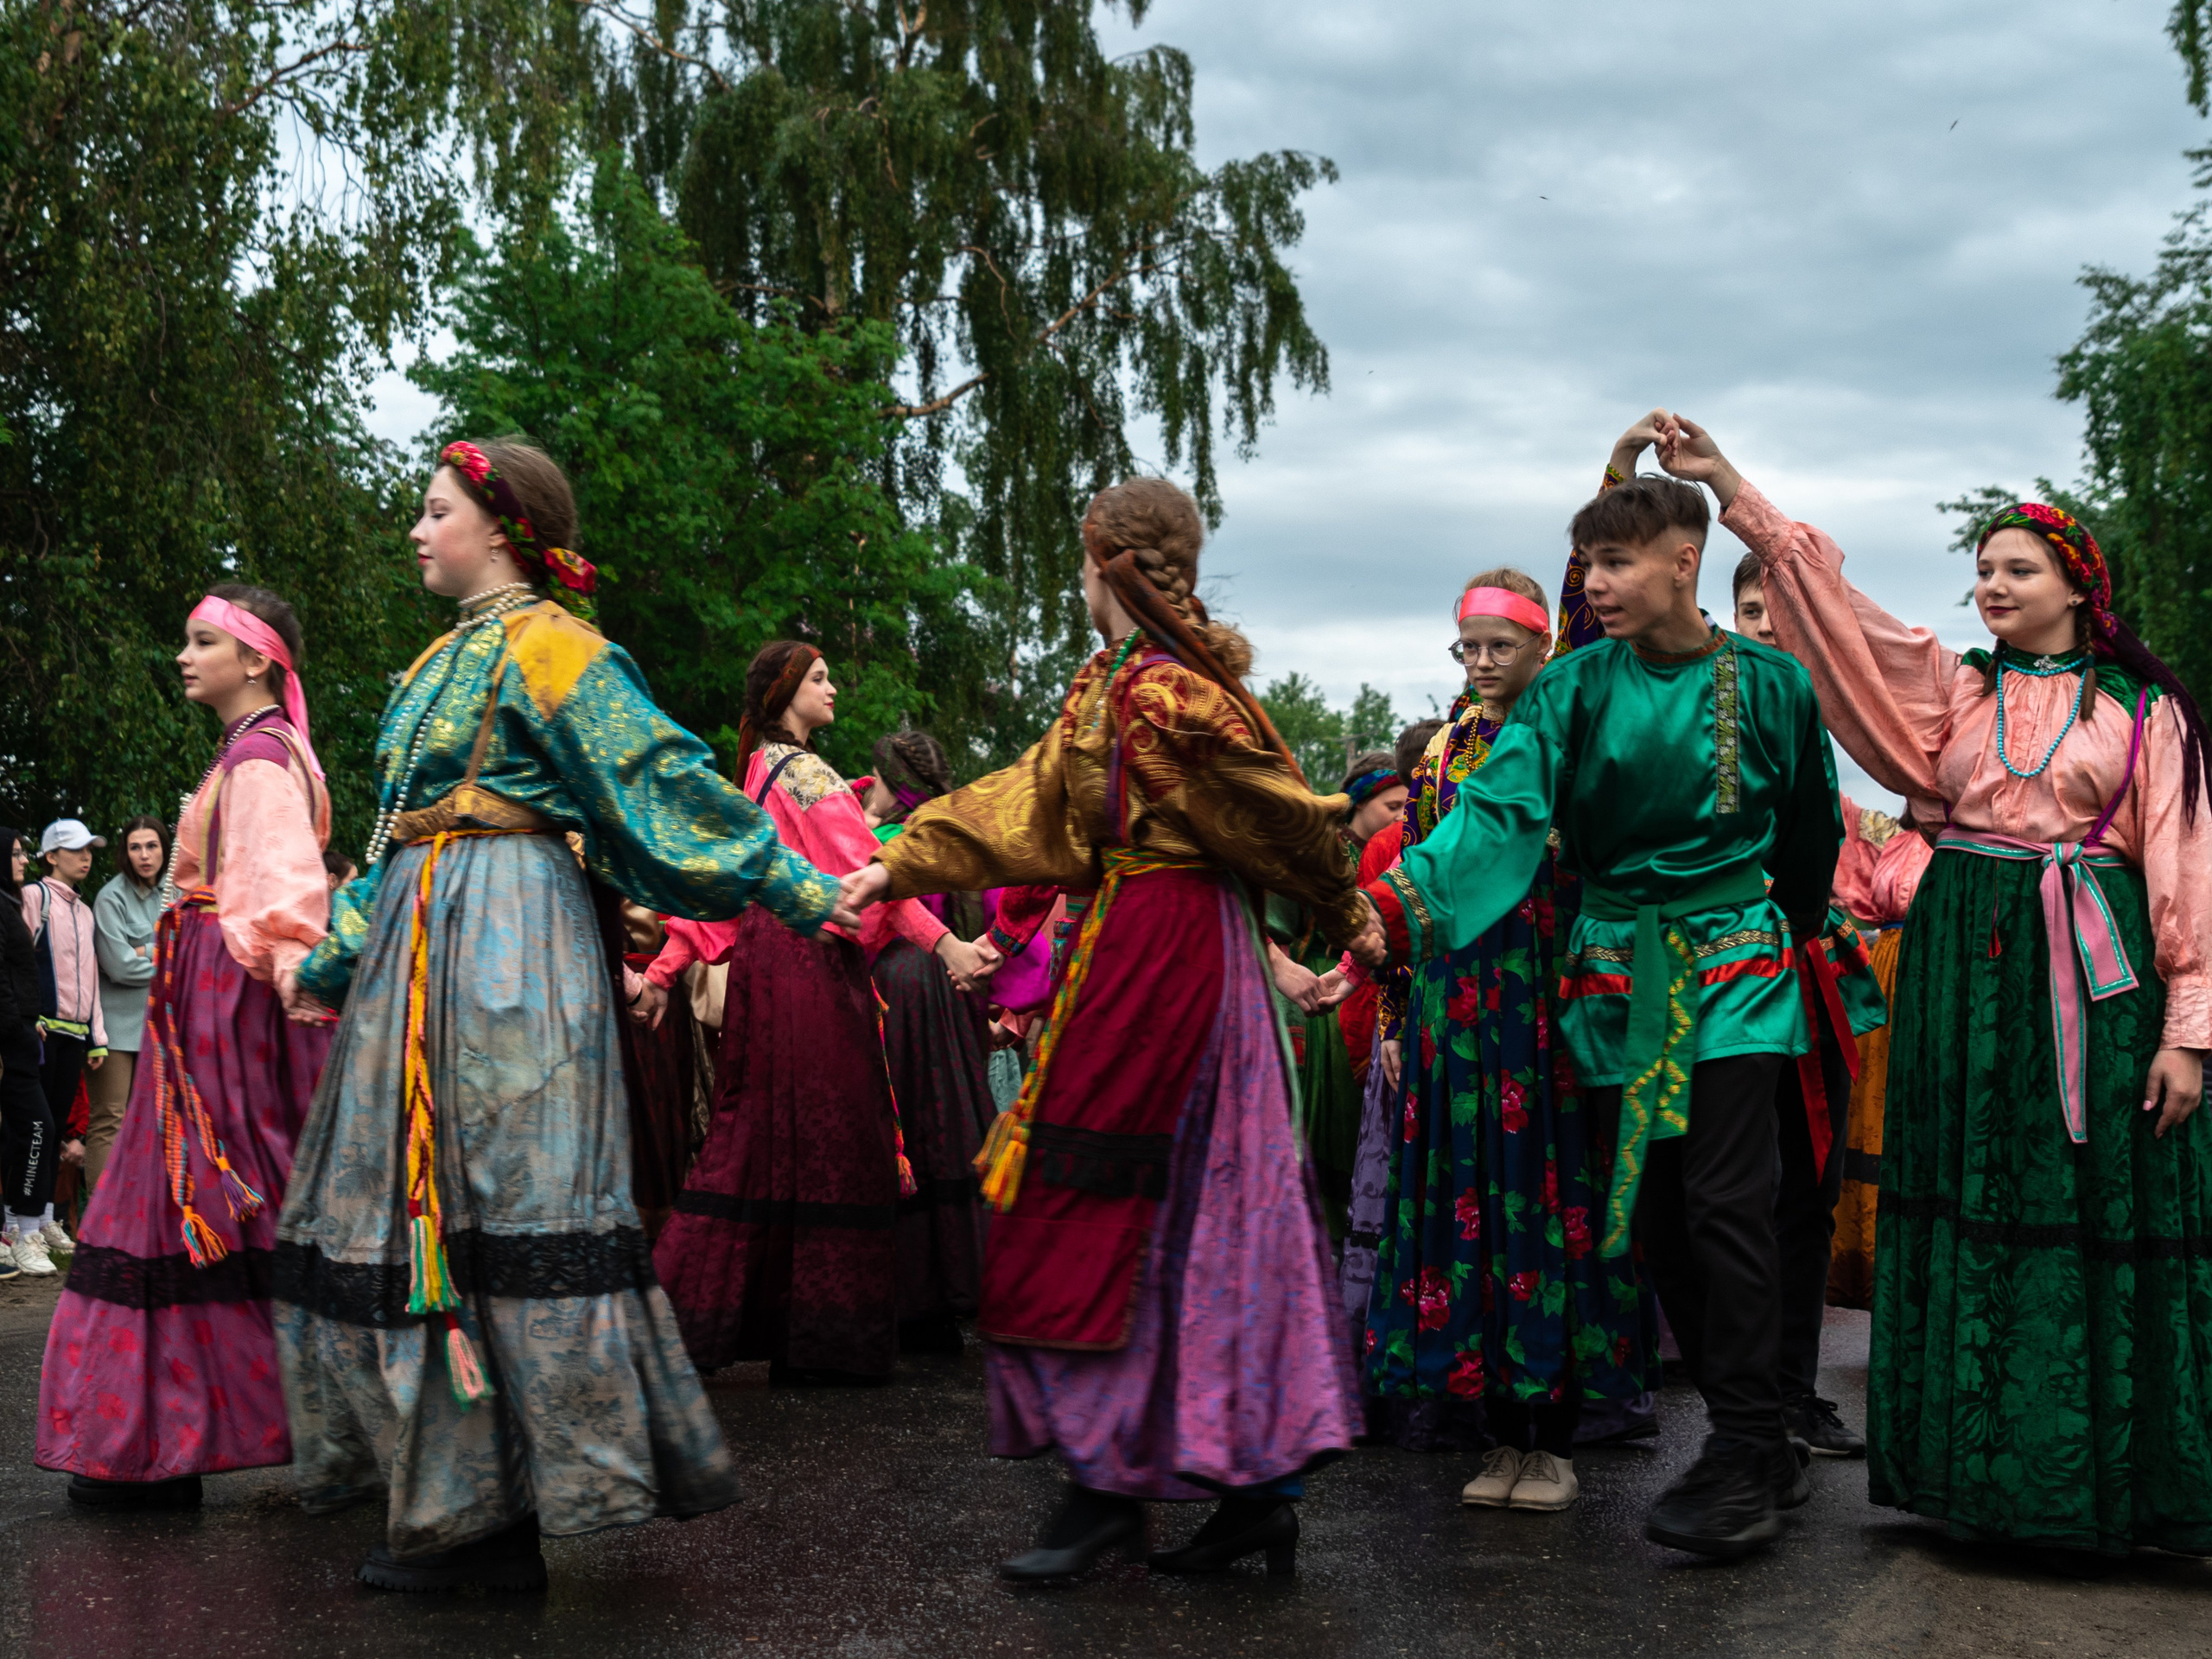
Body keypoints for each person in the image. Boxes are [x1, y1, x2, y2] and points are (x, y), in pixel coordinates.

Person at [272, 438, 850, 1592]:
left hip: (512, 949)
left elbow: (666, 788)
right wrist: (332, 961)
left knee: (513, 1211)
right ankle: (465, 1514)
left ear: (500, 526)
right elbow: (390, 840)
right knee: (421, 1219)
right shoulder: (437, 664)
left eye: (434, 511)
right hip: (421, 951)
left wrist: (809, 887)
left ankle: (516, 1517)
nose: (416, 530)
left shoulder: (555, 649)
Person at [1665, 414, 2212, 1567]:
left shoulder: (2141, 711)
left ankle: (2106, 1487)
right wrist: (1730, 490)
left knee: (2087, 1205)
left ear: (2078, 584)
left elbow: (2183, 870)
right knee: (1970, 1195)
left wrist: (2189, 1032)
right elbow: (1836, 611)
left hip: (2095, 984)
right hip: (1964, 975)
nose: (1992, 588)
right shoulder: (1956, 696)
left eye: (2017, 569)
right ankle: (1976, 1483)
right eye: (1982, 573)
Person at [842, 475, 1377, 1581]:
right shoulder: (1113, 686)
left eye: (1080, 564)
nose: (1076, 582)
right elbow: (1027, 803)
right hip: (1131, 941)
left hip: (1176, 959)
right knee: (1183, 1208)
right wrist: (897, 857)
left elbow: (1280, 817)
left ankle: (1130, 1493)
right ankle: (1214, 1489)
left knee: (1137, 1199)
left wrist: (1357, 913)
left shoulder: (1175, 694)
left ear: (1104, 565)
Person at [1361, 462, 1841, 1560]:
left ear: (1685, 563)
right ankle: (1756, 1441)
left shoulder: (1772, 684)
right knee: (1661, 1215)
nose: (1599, 581)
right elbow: (1498, 809)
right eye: (1589, 563)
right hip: (1615, 974)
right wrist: (1392, 901)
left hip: (1735, 967)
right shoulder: (1572, 690)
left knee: (1729, 1199)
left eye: (1617, 560)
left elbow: (1809, 837)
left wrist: (1792, 925)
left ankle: (1746, 1440)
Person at [1363, 566, 1657, 1516]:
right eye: (1469, 647)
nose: (1483, 663)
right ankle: (1493, 1431)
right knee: (1466, 1204)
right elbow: (1416, 875)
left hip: (1547, 992)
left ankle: (1555, 1439)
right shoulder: (1441, 753)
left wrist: (1612, 484)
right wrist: (1396, 1012)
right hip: (1455, 1004)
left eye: (1502, 645)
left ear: (1542, 648)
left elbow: (1594, 611)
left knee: (1548, 1193)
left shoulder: (1566, 727)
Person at [38, 586, 334, 1509]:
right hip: (206, 999)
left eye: (202, 641)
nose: (183, 655)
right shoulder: (253, 752)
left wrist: (290, 982)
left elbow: (283, 895)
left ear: (255, 660)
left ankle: (149, 1446)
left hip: (220, 1006)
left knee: (171, 1201)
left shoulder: (256, 760)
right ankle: (167, 1436)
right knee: (195, 1206)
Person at [640, 651, 988, 1385]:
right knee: (838, 1140)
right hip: (810, 974)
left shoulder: (758, 774)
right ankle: (819, 1341)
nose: (832, 688)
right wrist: (948, 943)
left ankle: (678, 1324)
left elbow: (729, 895)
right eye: (819, 678)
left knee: (757, 1139)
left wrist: (667, 969)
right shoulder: (803, 775)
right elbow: (870, 876)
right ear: (785, 693)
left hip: (769, 972)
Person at [1726, 548, 1891, 1459]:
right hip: (1724, 977)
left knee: (1808, 1192)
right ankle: (1741, 1406)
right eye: (1751, 612)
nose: (1766, 630)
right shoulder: (1705, 710)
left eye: (1784, 613)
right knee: (1727, 1196)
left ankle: (1790, 1392)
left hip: (1813, 976)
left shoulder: (1836, 727)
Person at [863, 729, 1002, 1354]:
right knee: (950, 1132)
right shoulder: (951, 828)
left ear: (900, 782)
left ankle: (914, 1301)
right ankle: (952, 1293)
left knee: (909, 1131)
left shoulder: (896, 842)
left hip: (902, 983)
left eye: (881, 779)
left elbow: (867, 916)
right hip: (948, 990)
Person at [1275, 750, 1403, 1237]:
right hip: (1320, 983)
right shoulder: (1317, 848)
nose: (1400, 813)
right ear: (1358, 802)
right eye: (1390, 805)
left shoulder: (1405, 851)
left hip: (1369, 978)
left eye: (1404, 805)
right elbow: (1281, 922)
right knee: (1327, 1116)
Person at [18, 819, 106, 1269]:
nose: (85, 856)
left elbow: (90, 976)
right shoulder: (35, 897)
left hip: (75, 1036)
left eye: (89, 849)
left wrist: (97, 1037)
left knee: (54, 1128)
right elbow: (17, 959)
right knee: (37, 1129)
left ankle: (48, 1217)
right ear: (51, 855)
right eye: (75, 850)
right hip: (41, 1032)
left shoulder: (86, 910)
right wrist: (27, 1017)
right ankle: (21, 1226)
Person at [88, 815, 168, 1190]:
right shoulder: (111, 897)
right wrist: (167, 959)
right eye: (135, 847)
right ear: (125, 853)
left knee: (156, 1121)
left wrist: (144, 949)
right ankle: (98, 1228)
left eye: (151, 845)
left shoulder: (175, 893)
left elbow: (192, 952)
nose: (144, 855)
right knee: (111, 1119)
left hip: (161, 1028)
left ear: (165, 849)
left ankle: (141, 1225)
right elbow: (119, 966)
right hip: (115, 1030)